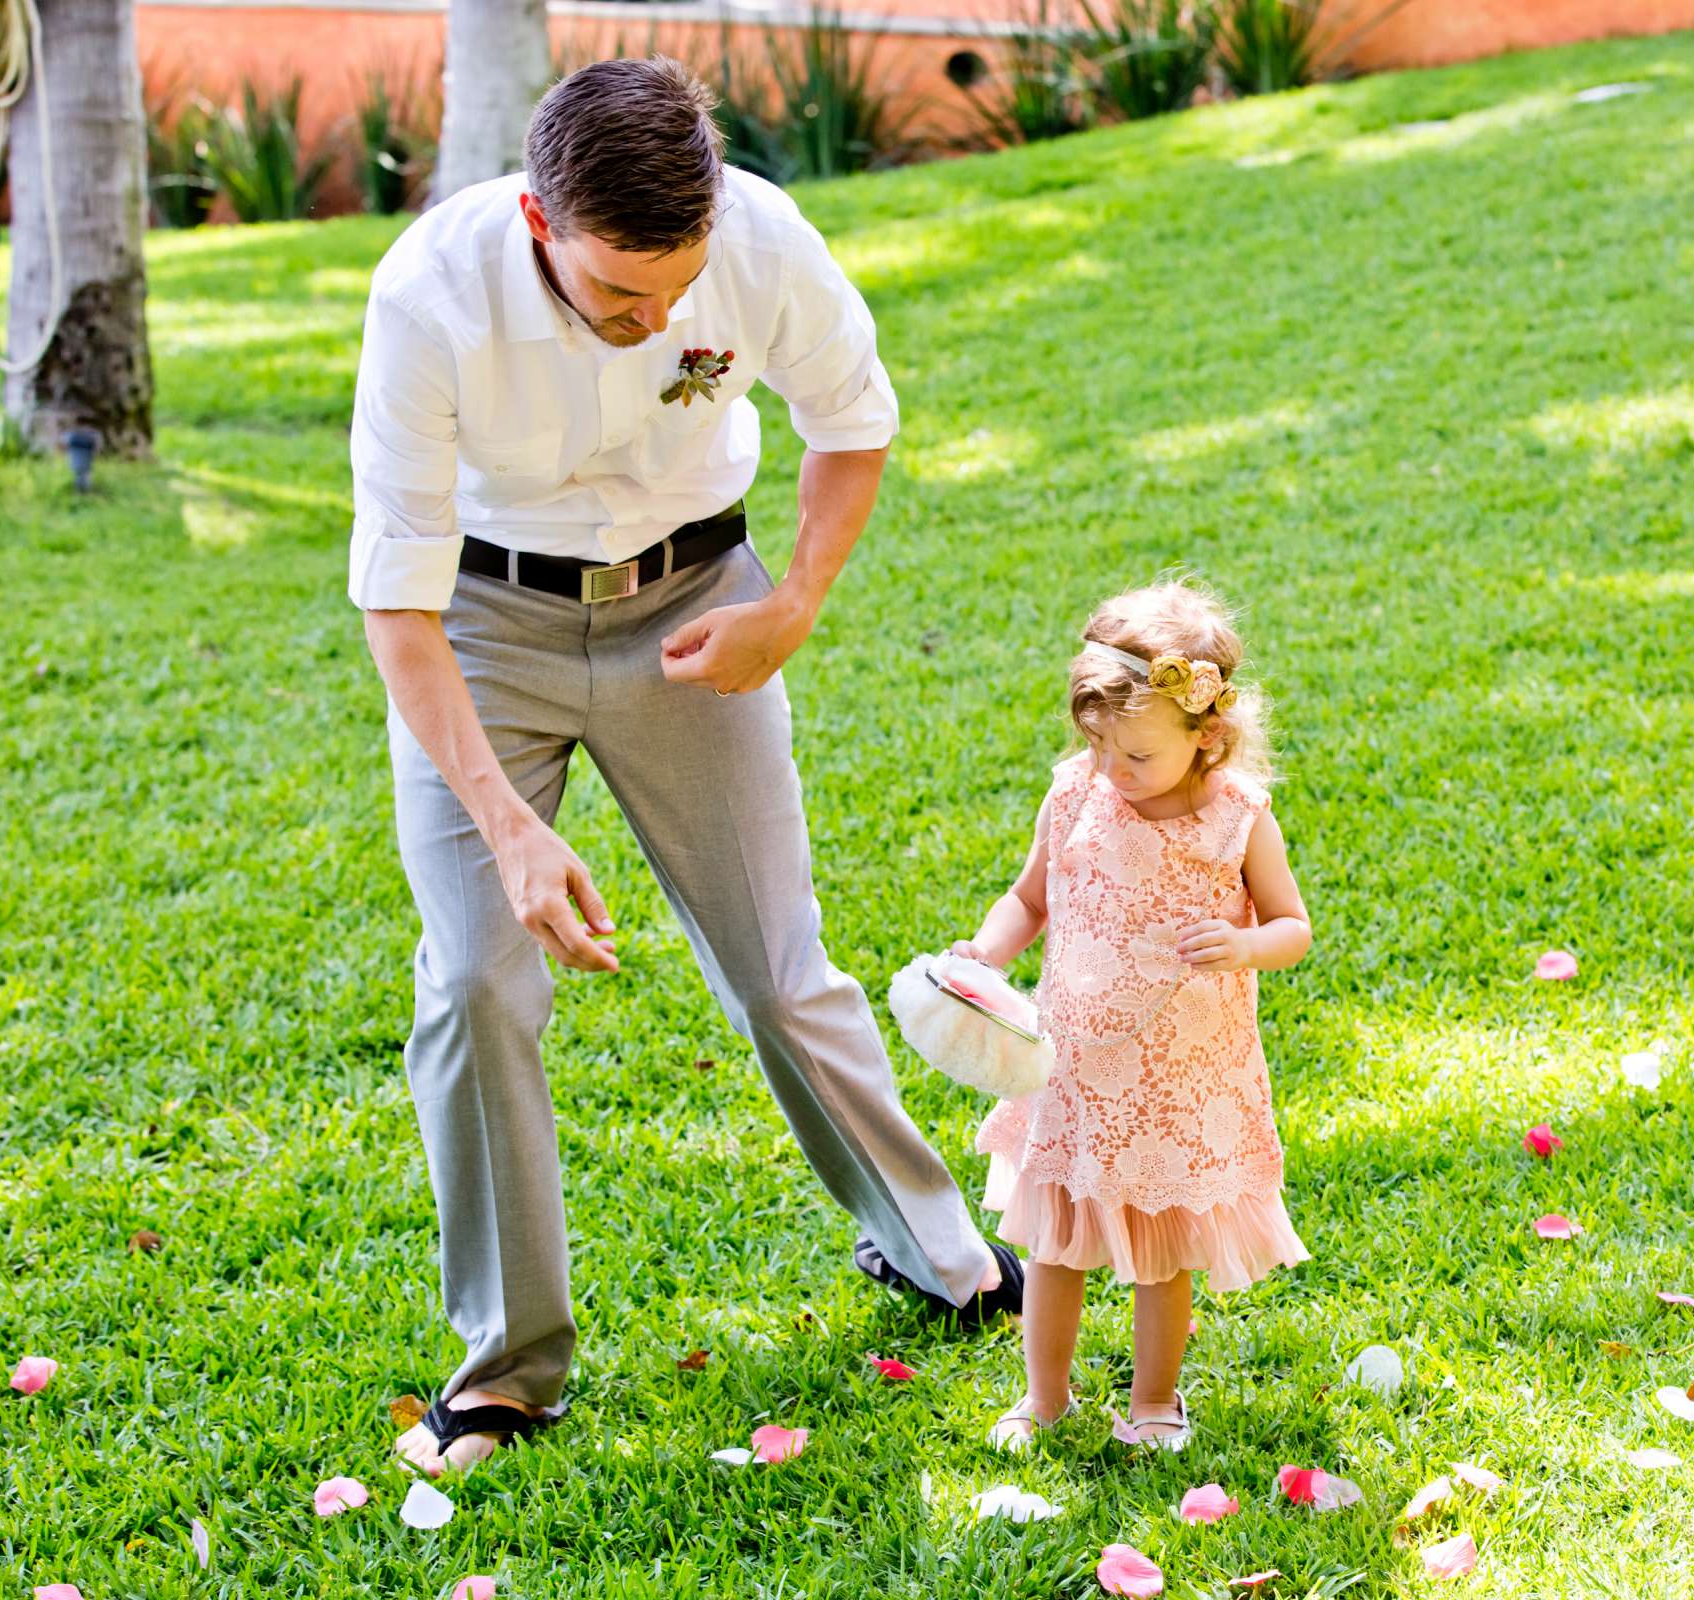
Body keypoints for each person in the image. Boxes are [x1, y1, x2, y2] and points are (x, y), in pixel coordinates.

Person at [346, 57, 1019, 1478]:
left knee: (783, 966)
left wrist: (793, 608)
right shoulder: (428, 296)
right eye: (619, 302)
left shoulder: (761, 238)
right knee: (472, 980)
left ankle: (941, 1257)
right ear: (540, 221)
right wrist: (509, 831)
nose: (657, 322)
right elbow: (396, 608)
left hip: (692, 602)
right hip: (483, 624)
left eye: (676, 293)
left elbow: (854, 421)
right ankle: (511, 1368)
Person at [958, 583, 1313, 1452]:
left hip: (1180, 1077)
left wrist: (1243, 946)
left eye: (1139, 756)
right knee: (1055, 1244)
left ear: (1208, 734)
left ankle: (1155, 1399)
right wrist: (984, 952)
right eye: (1100, 747)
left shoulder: (1238, 820)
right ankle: (1046, 1397)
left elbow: (1293, 929)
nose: (1115, 772)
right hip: (1077, 1069)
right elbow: (1028, 896)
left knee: (1161, 1257)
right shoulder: (1078, 794)